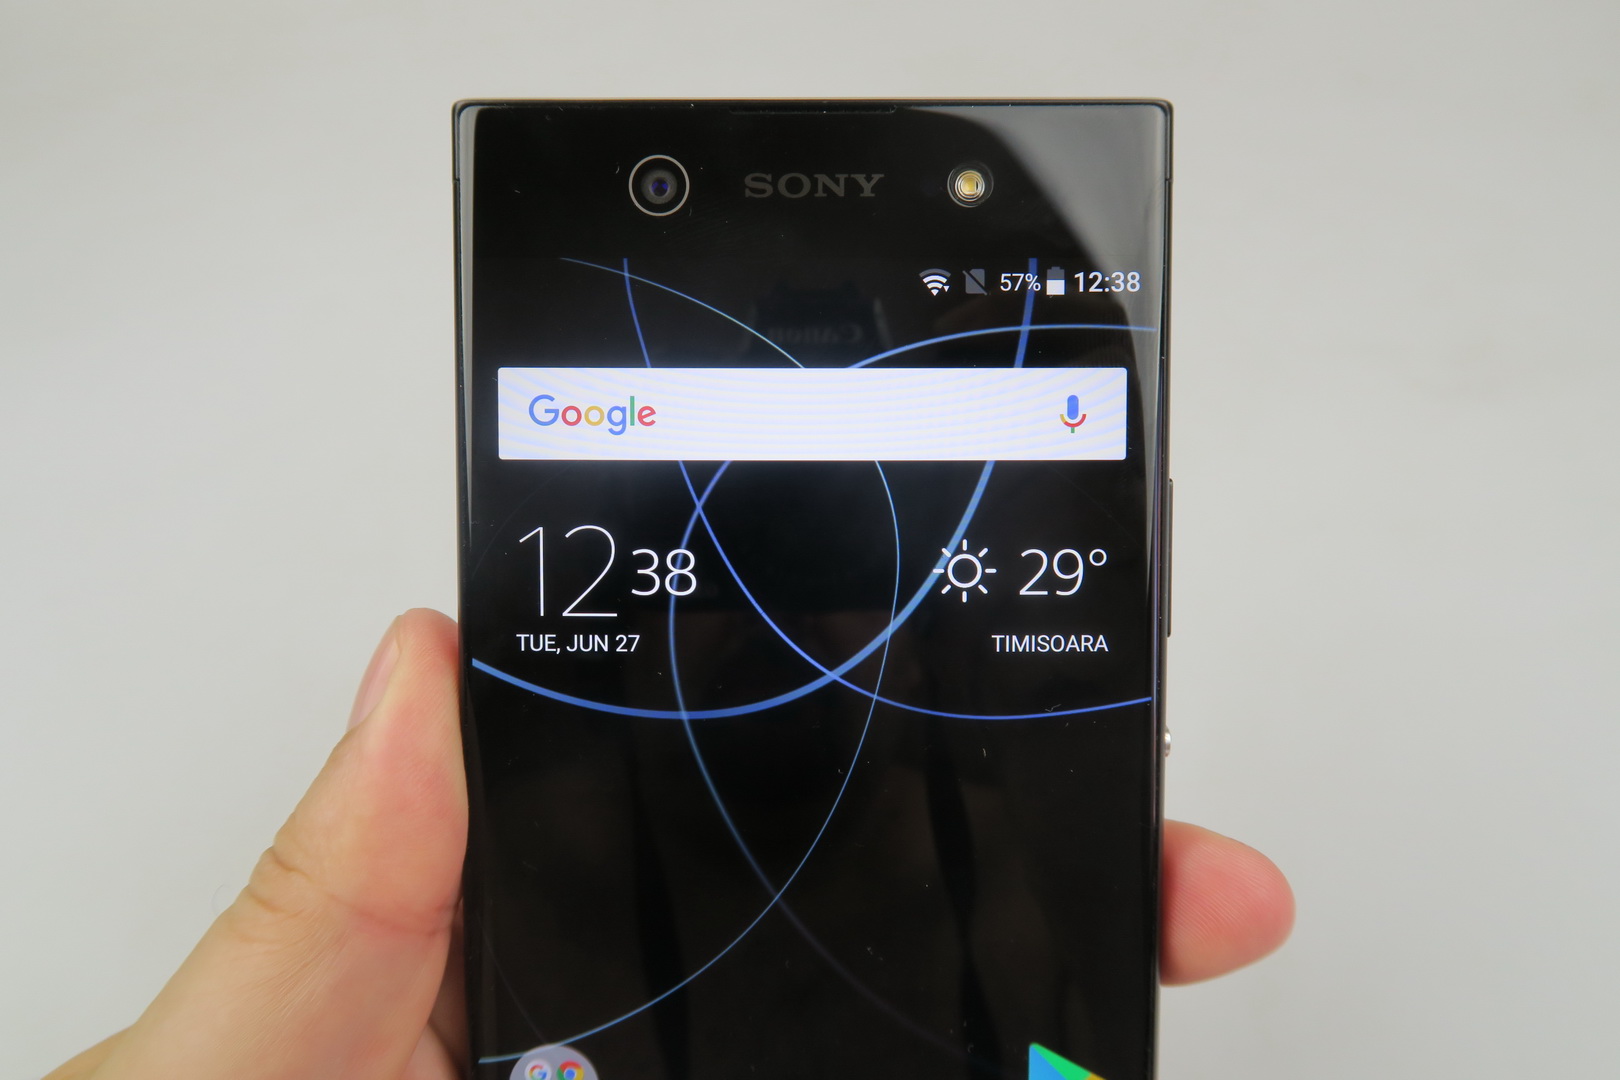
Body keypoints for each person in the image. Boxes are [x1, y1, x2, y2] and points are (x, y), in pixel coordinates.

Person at [44, 610, 1295, 1080]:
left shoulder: (1005, 893)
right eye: (717, 572)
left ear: (924, 655)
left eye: (840, 570)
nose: (786, 630)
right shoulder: (512, 897)